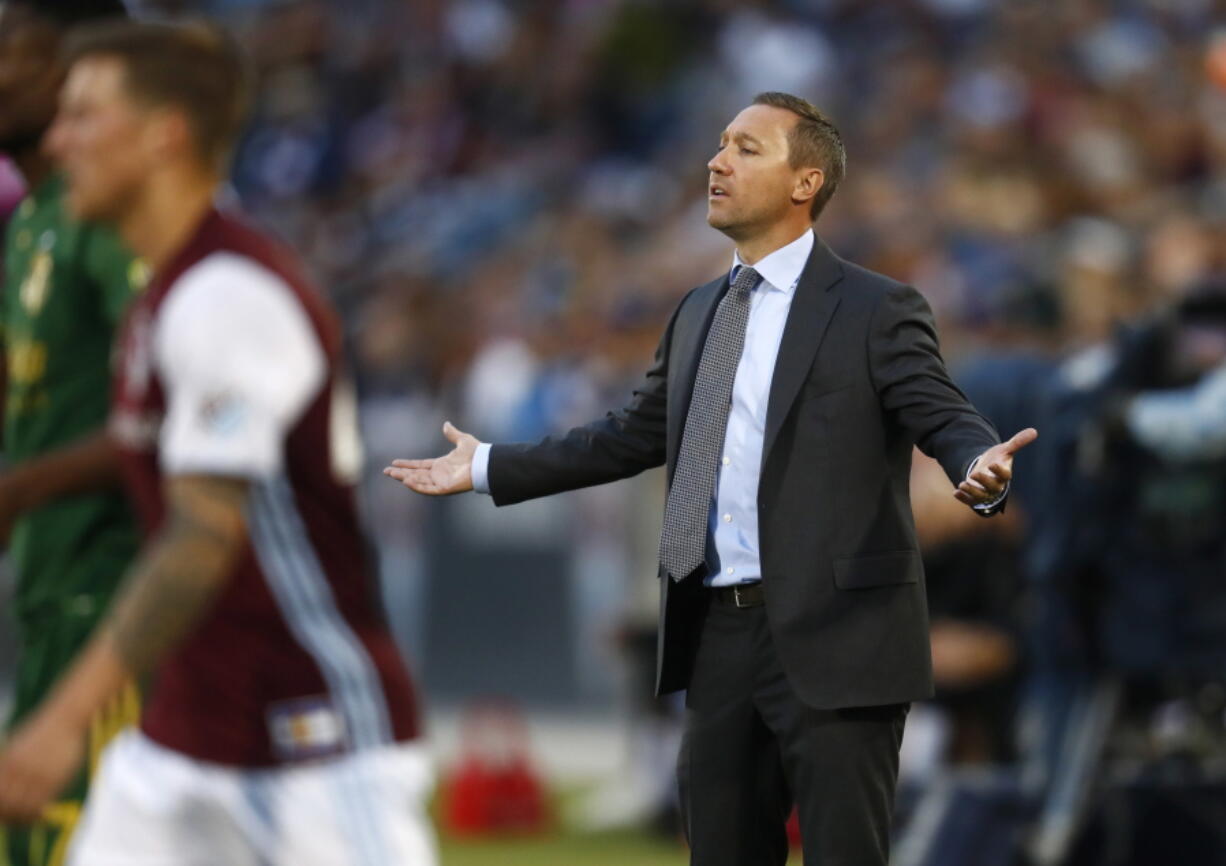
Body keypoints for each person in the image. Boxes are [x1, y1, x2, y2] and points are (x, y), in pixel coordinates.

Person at [387, 91, 1037, 865]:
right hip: (720, 631)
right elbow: (632, 435)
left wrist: (979, 466)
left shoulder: (876, 307)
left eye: (747, 148)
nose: (716, 160)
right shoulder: (699, 310)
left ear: (805, 184)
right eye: (720, 143)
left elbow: (943, 414)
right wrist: (491, 465)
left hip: (839, 633)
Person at [0, 20, 435, 866]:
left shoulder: (228, 294)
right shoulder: (164, 297)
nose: (60, 137)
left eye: (86, 116)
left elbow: (202, 533)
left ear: (164, 134)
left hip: (304, 729)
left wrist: (58, 723)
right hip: (184, 735)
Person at [0, 3, 144, 863]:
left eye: (10, 46)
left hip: (119, 604)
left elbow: (171, 411)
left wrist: (19, 490)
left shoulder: (108, 216)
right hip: (50, 605)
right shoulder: (29, 225)